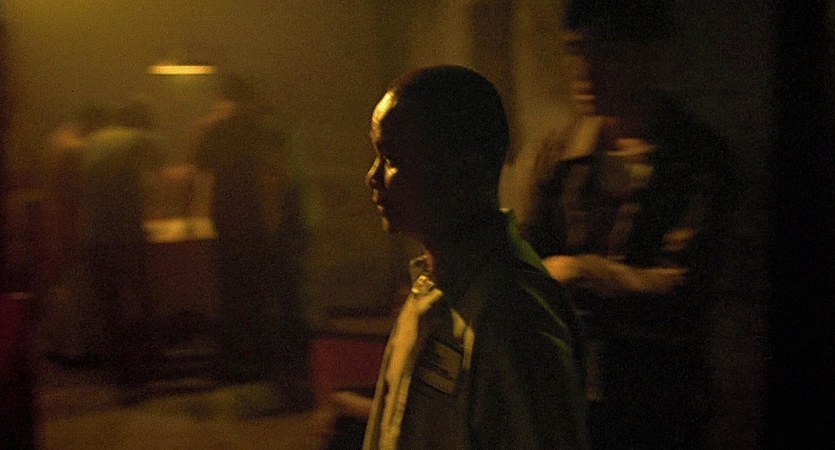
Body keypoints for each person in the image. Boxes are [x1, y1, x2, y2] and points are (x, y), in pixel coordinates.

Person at [515, 1, 738, 448]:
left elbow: (682, 289)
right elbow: (523, 266)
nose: (585, 69)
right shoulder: (557, 154)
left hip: (658, 407)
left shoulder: (698, 160)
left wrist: (580, 273)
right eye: (577, 50)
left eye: (606, 52)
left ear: (648, 55)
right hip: (566, 401)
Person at [362, 65, 589, 449]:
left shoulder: (514, 316)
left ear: (466, 170)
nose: (372, 177)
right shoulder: (430, 291)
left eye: (392, 158)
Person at [192, 73, 312, 409]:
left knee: (233, 297)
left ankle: (239, 365)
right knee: (263, 295)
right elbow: (281, 174)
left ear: (224, 97)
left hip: (228, 224)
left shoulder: (216, 129)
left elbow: (199, 165)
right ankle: (268, 365)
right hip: (261, 224)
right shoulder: (264, 128)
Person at [80, 98, 163, 404]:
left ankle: (120, 375)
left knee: (110, 307)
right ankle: (144, 371)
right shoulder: (136, 137)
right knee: (140, 301)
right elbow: (157, 169)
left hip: (95, 237)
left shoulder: (93, 141)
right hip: (126, 238)